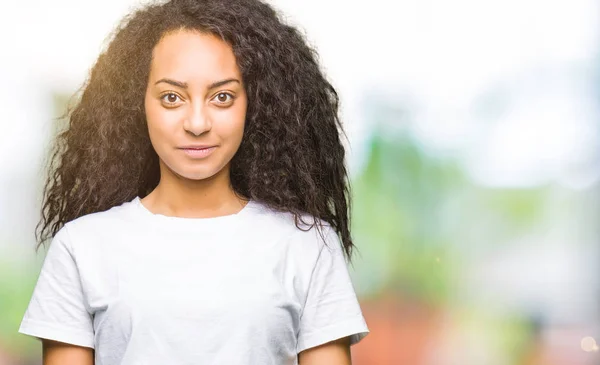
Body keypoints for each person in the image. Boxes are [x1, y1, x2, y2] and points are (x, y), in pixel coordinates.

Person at [18, 0, 369, 363]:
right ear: (137, 104)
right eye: (172, 97)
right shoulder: (82, 247)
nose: (197, 123)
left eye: (222, 97)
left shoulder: (306, 245)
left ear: (256, 104)